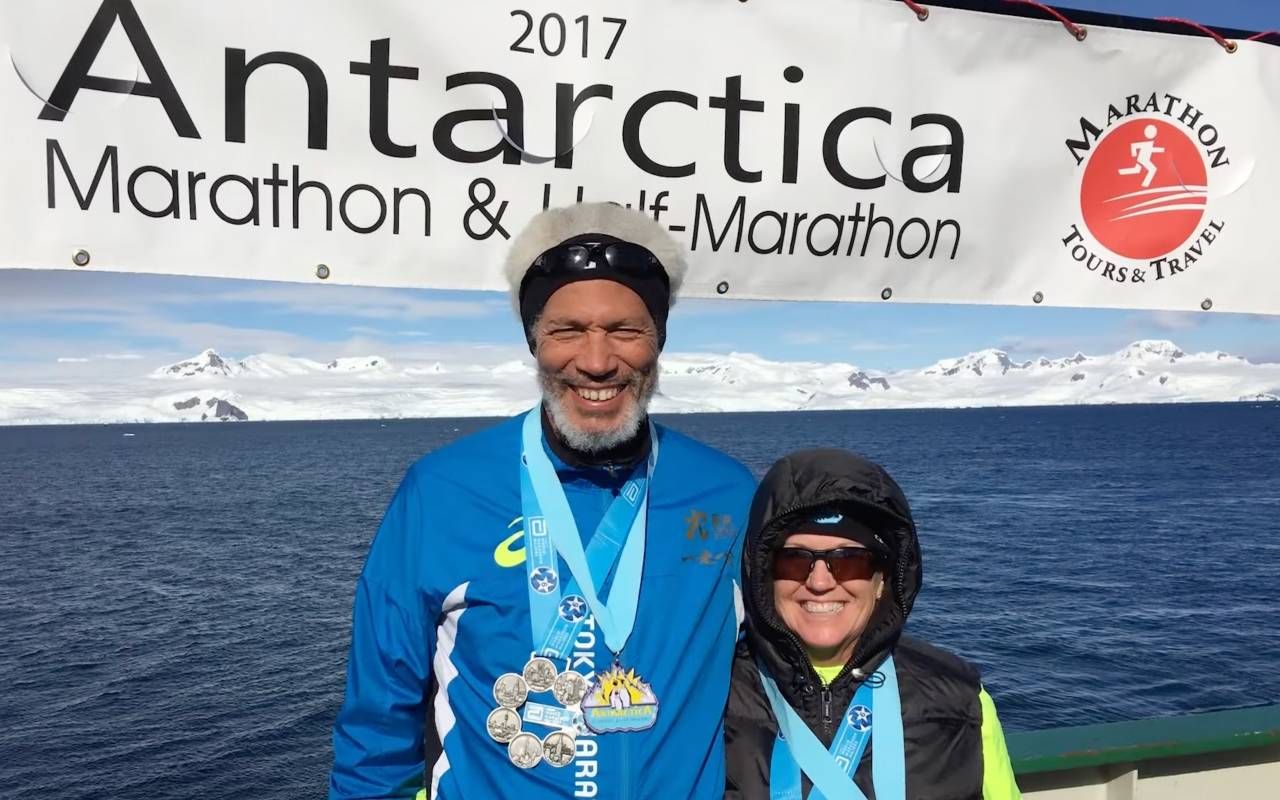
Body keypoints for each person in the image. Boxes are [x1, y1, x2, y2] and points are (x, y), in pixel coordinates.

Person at [329, 202, 756, 800]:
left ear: (658, 339)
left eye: (625, 329)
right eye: (567, 330)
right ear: (534, 340)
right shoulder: (444, 490)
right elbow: (379, 720)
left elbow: (792, 675)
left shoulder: (729, 494)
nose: (597, 360)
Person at [725, 449, 1021, 799]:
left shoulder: (961, 698)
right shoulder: (715, 694)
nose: (820, 582)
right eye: (794, 560)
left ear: (882, 579)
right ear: (765, 576)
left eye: (850, 561)